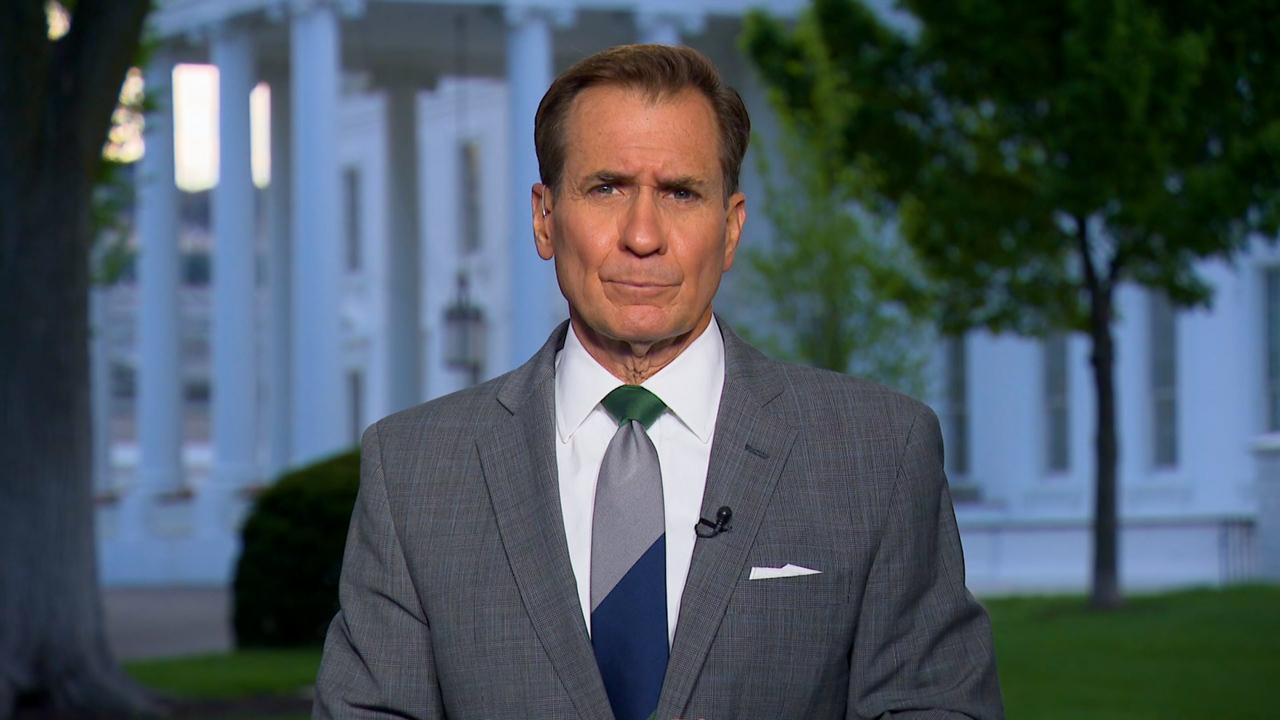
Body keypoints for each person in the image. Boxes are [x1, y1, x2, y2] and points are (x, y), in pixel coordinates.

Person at [313, 44, 1002, 720]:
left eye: (680, 193)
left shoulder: (875, 454)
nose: (643, 235)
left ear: (729, 230)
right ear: (545, 218)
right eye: (607, 188)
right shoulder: (414, 474)